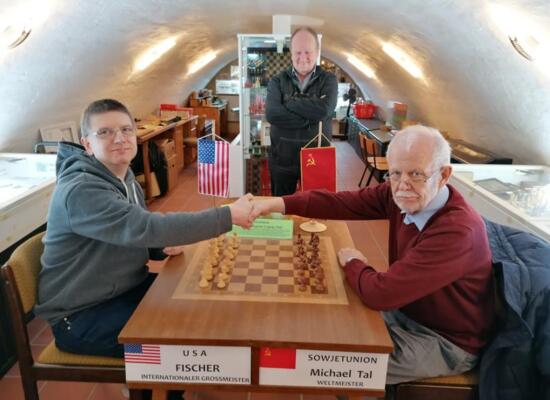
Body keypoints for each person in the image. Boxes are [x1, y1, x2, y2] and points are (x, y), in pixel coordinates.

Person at [250, 125, 496, 384]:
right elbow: (340, 202)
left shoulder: (457, 231)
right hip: (407, 310)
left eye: (416, 174)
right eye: (395, 173)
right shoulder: (398, 194)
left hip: (446, 340)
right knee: (327, 323)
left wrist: (353, 262)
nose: (403, 186)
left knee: (335, 361)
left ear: (444, 175)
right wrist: (278, 203)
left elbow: (381, 293)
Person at [34, 99, 254, 358]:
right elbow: (144, 227)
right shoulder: (82, 189)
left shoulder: (122, 175)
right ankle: (154, 388)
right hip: (82, 314)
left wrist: (159, 248)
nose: (119, 138)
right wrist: (227, 215)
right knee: (181, 339)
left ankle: (153, 384)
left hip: (125, 289)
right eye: (105, 132)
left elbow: (132, 231)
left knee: (199, 306)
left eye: (126, 130)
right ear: (87, 144)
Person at [265, 26, 337, 196]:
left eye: (308, 52)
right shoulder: (277, 81)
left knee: (315, 214)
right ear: (290, 53)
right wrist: (309, 119)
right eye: (297, 52)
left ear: (317, 52)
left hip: (317, 159)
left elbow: (324, 110)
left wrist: (290, 102)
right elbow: (273, 114)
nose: (303, 58)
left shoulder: (329, 80)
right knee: (281, 211)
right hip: (282, 161)